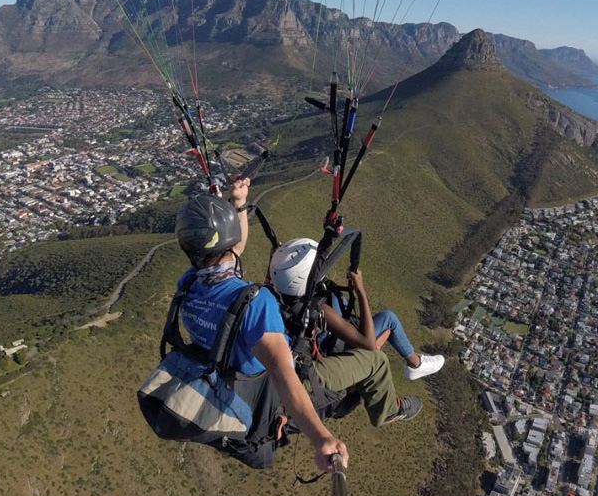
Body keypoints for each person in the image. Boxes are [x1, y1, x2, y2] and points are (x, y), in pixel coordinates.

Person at [172, 179, 420, 473]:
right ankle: (389, 411)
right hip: (274, 391)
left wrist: (238, 205)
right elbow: (283, 374)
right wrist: (321, 438)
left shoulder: (190, 284)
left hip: (227, 378)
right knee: (375, 360)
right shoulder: (256, 304)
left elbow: (233, 251)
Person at [269, 238, 445, 381]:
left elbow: (273, 280)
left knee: (339, 299)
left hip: (331, 335)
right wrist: (361, 291)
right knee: (389, 318)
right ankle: (416, 364)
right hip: (342, 348)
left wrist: (275, 260)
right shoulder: (320, 310)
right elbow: (367, 343)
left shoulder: (279, 296)